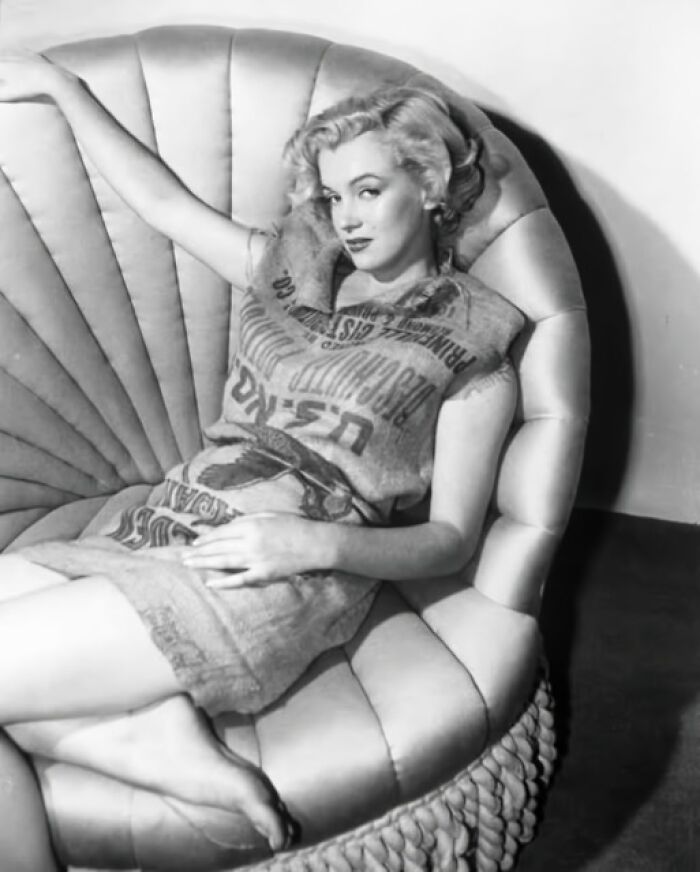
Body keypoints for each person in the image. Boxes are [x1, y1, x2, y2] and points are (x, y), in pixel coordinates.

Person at [0, 50, 524, 872]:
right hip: (157, 531)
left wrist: (313, 543)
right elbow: (162, 203)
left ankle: (154, 743)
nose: (347, 219)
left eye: (370, 190)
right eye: (333, 196)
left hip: (268, 575)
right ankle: (153, 743)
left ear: (428, 185)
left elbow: (452, 538)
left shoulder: (471, 347)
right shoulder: (289, 274)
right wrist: (64, 90)